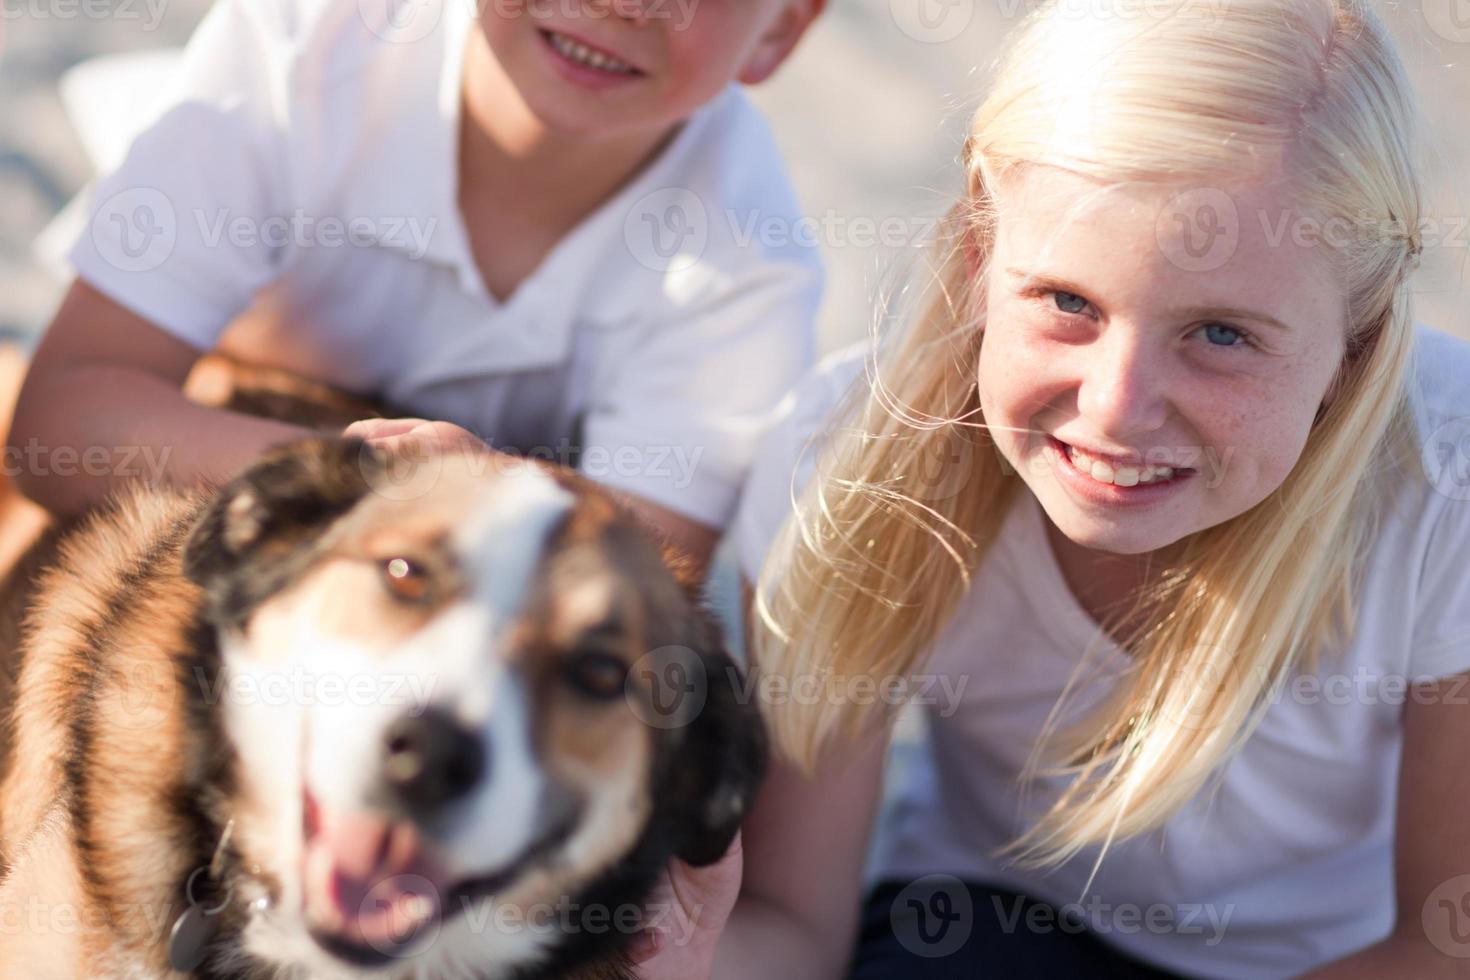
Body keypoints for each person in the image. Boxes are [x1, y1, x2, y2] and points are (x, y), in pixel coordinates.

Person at [632, 0, 1470, 976]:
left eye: (1222, 334)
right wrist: (644, 955)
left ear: (1355, 347)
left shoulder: (1444, 487)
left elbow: (1442, 939)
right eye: (1069, 301)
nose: (1116, 409)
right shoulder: (847, 463)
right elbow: (792, 924)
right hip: (981, 920)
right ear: (983, 259)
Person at [8, 0, 827, 576]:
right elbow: (64, 423)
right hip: (239, 421)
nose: (621, 3)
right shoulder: (302, 45)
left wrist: (460, 498)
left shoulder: (749, 269)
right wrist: (393, 483)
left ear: (782, 28)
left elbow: (640, 575)